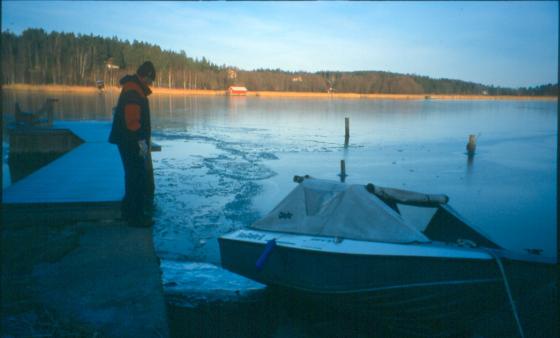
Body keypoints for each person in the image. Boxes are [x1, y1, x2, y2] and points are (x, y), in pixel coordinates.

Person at [109, 61, 156, 227]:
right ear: (144, 76)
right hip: (130, 141)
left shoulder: (135, 88)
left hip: (129, 140)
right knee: (136, 177)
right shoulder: (132, 90)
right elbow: (132, 122)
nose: (151, 84)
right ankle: (135, 217)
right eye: (150, 80)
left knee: (134, 176)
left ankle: (129, 212)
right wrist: (141, 144)